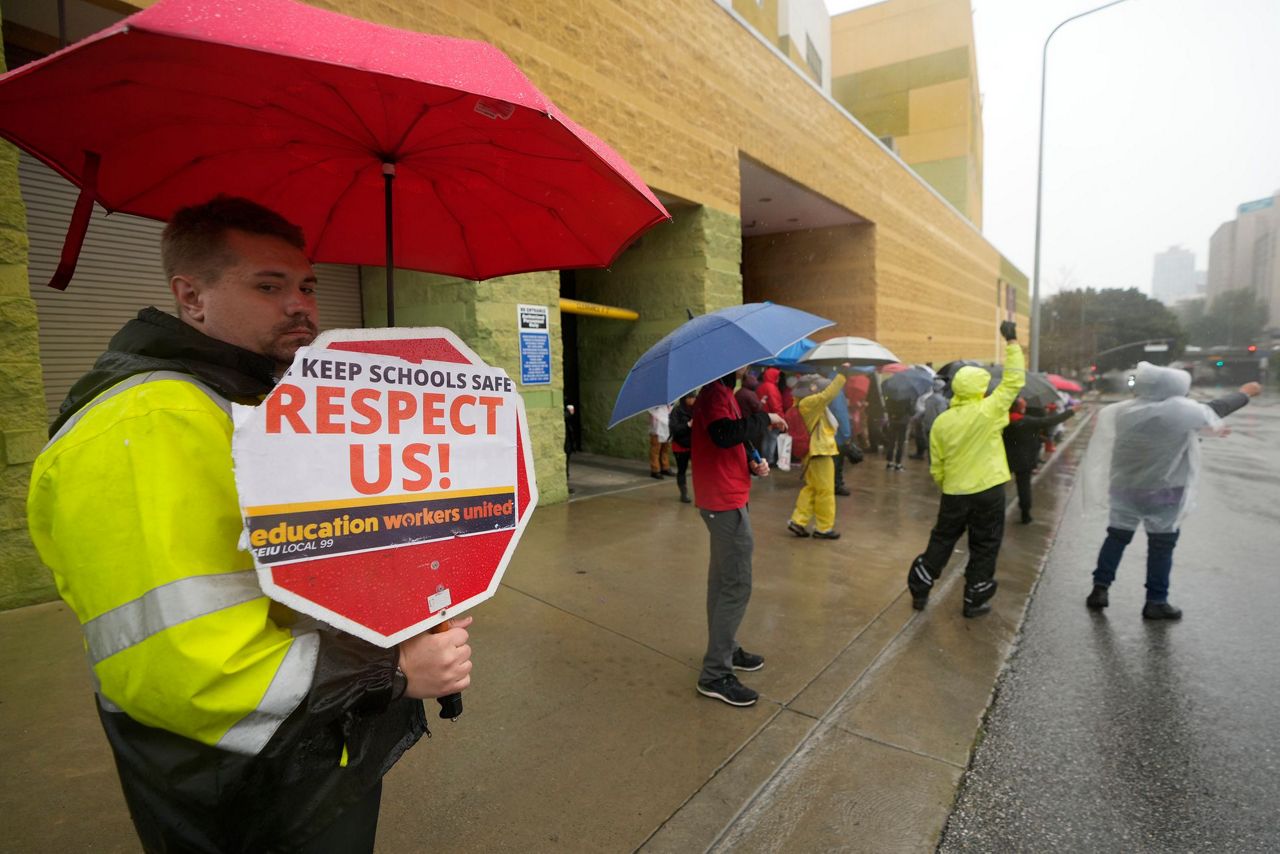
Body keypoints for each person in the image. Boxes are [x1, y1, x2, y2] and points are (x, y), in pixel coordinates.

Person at [26, 197, 473, 853]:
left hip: (307, 757)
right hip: (239, 788)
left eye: (307, 286)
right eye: (269, 286)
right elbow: (192, 669)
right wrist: (394, 670)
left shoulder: (252, 404)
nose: (302, 306)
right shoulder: (148, 426)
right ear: (191, 297)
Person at [1082, 364, 1260, 619]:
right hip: (1164, 492)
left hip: (1124, 489)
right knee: (1161, 545)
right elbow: (1216, 409)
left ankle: (1099, 589)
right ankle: (1155, 601)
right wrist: (1245, 393)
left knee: (1117, 537)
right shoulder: (1178, 410)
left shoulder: (1123, 411)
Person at [906, 320, 1024, 618]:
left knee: (942, 539)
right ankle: (974, 598)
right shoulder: (990, 409)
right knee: (985, 545)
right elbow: (1014, 380)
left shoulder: (943, 421)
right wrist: (1011, 342)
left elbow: (938, 462)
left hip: (954, 492)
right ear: (980, 389)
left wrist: (946, 483)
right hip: (989, 491)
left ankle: (920, 588)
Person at [691, 367, 787, 707]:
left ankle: (727, 647)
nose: (749, 367)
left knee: (722, 582)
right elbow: (721, 433)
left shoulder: (722, 392)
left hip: (728, 496)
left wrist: (751, 462)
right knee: (737, 585)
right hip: (724, 502)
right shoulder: (715, 394)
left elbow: (729, 440)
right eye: (745, 363)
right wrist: (767, 417)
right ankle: (715, 674)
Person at [787, 369, 849, 539]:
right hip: (820, 452)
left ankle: (798, 521)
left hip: (813, 453)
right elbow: (827, 395)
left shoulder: (802, 404)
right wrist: (842, 375)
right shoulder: (808, 403)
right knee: (826, 492)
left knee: (811, 489)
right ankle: (823, 528)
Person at [1003, 398, 1075, 524]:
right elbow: (1050, 420)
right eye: (1023, 406)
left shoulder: (1003, 420)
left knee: (997, 486)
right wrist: (1071, 411)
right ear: (1019, 408)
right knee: (1024, 488)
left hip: (1004, 459)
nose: (1025, 408)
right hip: (1024, 460)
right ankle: (1025, 515)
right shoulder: (1028, 421)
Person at [668, 393, 696, 503]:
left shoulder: (696, 409)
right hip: (680, 446)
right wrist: (688, 425)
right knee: (682, 470)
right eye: (690, 397)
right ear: (685, 398)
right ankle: (684, 493)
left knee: (699, 470)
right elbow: (674, 429)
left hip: (694, 445)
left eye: (694, 397)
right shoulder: (677, 411)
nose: (693, 399)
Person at [756, 367, 784, 465]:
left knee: (766, 438)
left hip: (763, 418)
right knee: (772, 439)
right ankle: (770, 460)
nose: (778, 378)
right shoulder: (772, 388)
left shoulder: (761, 386)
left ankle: (764, 459)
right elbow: (775, 405)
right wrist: (781, 419)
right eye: (777, 376)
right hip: (773, 419)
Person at [919, 377, 949, 459]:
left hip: (927, 426)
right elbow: (942, 414)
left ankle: (931, 464)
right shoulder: (941, 401)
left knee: (930, 447)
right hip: (937, 427)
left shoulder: (928, 399)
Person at [884, 393, 912, 470]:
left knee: (891, 442)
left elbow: (886, 407)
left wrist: (892, 415)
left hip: (892, 421)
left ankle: (889, 462)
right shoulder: (907, 397)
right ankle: (898, 464)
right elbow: (911, 410)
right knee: (900, 443)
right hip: (902, 422)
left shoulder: (890, 397)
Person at [648, 402, 674, 479]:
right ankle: (655, 470)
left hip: (667, 427)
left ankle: (665, 467)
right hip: (657, 428)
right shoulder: (653, 403)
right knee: (656, 449)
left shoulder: (669, 402)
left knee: (665, 449)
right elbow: (652, 414)